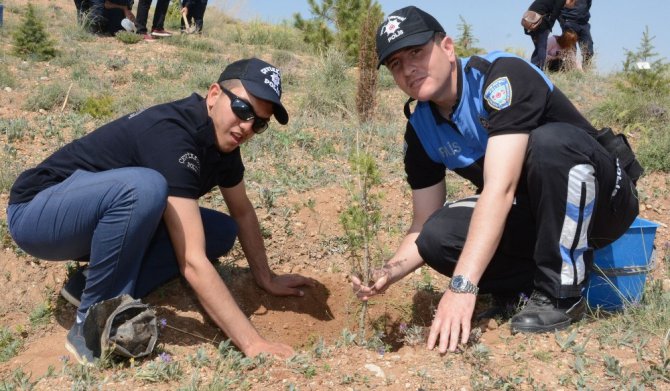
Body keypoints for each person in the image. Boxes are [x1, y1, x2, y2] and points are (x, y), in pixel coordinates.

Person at [352, 6, 639, 354]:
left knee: (548, 143)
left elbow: (500, 190)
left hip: (603, 203)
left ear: (447, 47)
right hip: (535, 211)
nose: (409, 68)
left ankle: (562, 293)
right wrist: (390, 271)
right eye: (396, 63)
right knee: (436, 236)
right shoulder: (421, 128)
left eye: (417, 52)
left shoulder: (500, 77)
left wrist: (462, 287)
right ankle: (519, 292)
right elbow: (422, 221)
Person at [7, 58, 314, 364]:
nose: (247, 126)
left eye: (259, 123)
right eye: (243, 109)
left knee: (220, 232)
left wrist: (266, 278)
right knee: (145, 187)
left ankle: (87, 285)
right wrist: (252, 343)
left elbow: (243, 212)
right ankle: (93, 323)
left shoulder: (224, 145)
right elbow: (192, 263)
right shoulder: (174, 133)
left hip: (93, 221)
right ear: (214, 95)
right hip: (37, 213)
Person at [524, 0, 573, 69]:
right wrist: (549, 28)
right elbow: (555, 14)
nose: (567, 6)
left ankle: (531, 67)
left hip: (529, 21)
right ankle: (541, 70)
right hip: (540, 22)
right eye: (572, 3)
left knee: (538, 48)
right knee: (542, 47)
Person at [559, 0, 594, 69]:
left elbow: (588, 5)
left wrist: (583, 16)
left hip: (583, 24)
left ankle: (586, 70)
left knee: (589, 51)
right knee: (571, 50)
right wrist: (563, 22)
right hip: (569, 22)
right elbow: (558, 6)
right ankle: (570, 70)